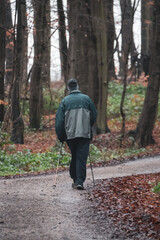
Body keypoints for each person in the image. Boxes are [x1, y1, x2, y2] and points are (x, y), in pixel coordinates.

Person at [55, 78, 97, 190]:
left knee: (75, 155)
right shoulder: (86, 99)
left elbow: (59, 121)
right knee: (81, 157)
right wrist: (88, 125)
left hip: (70, 135)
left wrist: (61, 136)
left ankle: (75, 178)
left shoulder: (65, 101)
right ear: (77, 87)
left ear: (68, 88)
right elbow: (94, 115)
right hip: (84, 134)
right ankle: (79, 181)